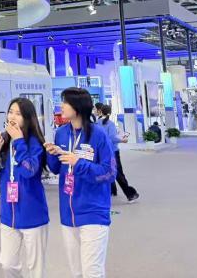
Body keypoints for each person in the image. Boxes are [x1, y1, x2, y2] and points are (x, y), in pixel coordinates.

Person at [45, 88, 117, 278]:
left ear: (77, 107)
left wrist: (79, 163)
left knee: (92, 272)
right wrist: (51, 154)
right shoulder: (61, 133)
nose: (61, 106)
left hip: (93, 212)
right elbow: (56, 169)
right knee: (76, 273)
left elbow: (110, 173)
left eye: (65, 102)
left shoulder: (98, 134)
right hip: (68, 214)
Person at [0, 97, 50, 278]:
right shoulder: (2, 140)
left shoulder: (35, 144)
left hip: (33, 215)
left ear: (27, 118)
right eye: (10, 112)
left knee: (36, 269)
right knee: (7, 264)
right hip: (9, 216)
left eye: (18, 114)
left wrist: (19, 141)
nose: (12, 117)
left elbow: (29, 170)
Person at [96, 103, 139, 203]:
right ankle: (130, 194)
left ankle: (108, 193)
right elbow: (112, 137)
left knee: (106, 172)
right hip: (112, 151)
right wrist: (122, 140)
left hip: (101, 152)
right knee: (118, 173)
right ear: (110, 113)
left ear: (101, 112)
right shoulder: (110, 124)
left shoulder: (97, 123)